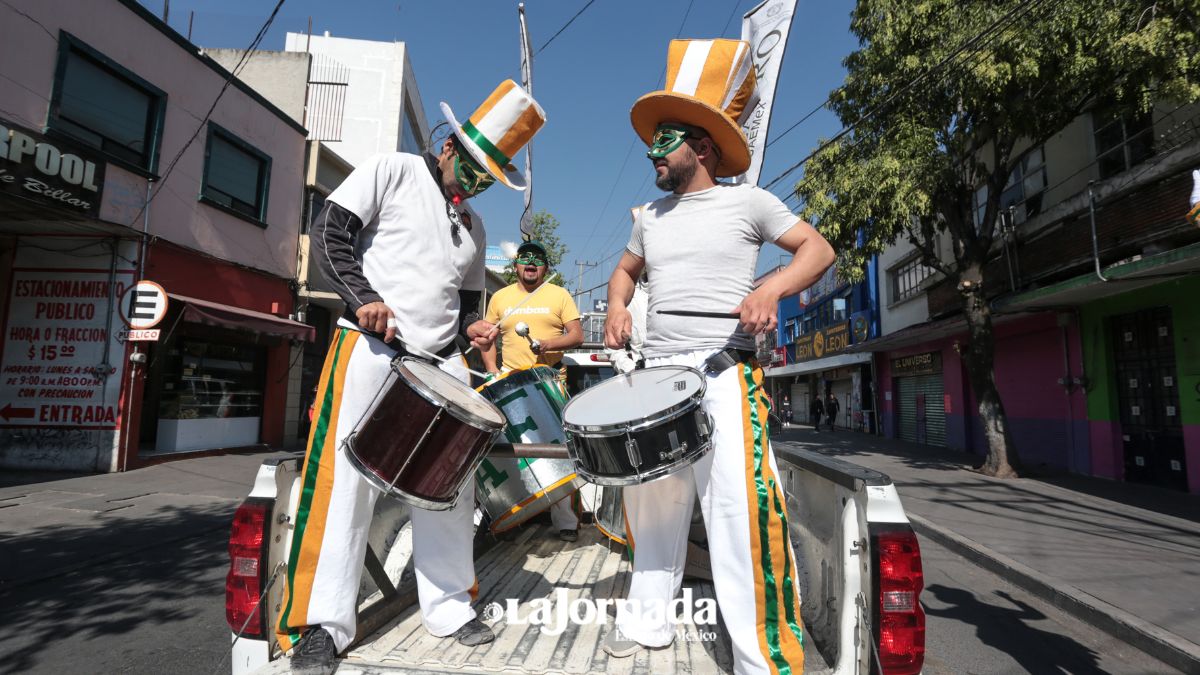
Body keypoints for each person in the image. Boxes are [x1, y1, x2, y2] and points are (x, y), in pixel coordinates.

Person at [277, 80, 546, 675]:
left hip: (440, 364)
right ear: (449, 146)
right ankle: (321, 623)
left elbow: (469, 304)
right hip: (372, 347)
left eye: (488, 179)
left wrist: (475, 331)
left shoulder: (472, 228)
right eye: (473, 169)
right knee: (345, 486)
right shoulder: (392, 170)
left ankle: (450, 605)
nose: (475, 184)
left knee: (449, 486)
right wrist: (362, 297)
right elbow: (329, 233)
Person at [601, 39, 836, 674]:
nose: (652, 153)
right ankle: (647, 622)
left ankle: (762, 658)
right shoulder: (648, 216)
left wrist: (771, 287)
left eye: (664, 142)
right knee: (651, 509)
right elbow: (623, 276)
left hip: (723, 376)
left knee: (739, 513)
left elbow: (817, 250)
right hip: (657, 379)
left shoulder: (750, 202)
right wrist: (620, 306)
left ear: (701, 149)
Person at [481, 239, 584, 541]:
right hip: (510, 382)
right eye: (525, 258)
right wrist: (492, 372)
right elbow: (487, 338)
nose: (530, 263)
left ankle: (566, 523)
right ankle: (513, 514)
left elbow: (576, 335)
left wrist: (550, 345)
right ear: (515, 266)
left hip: (550, 379)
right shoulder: (500, 297)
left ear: (545, 267)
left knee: (559, 451)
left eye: (537, 259)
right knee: (508, 450)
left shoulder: (559, 294)